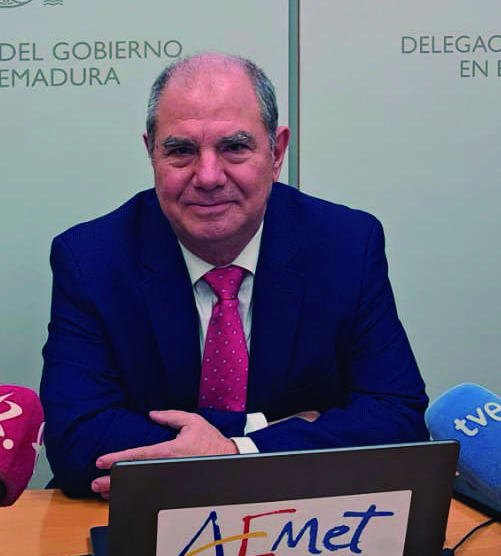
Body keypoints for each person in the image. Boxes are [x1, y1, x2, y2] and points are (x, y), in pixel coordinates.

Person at [40, 52, 428, 497]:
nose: (208, 176)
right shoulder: (92, 259)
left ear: (276, 151)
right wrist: (260, 430)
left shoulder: (346, 245)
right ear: (151, 153)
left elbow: (397, 419)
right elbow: (77, 443)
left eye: (234, 147)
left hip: (306, 524)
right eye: (181, 151)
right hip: (149, 525)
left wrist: (239, 451)